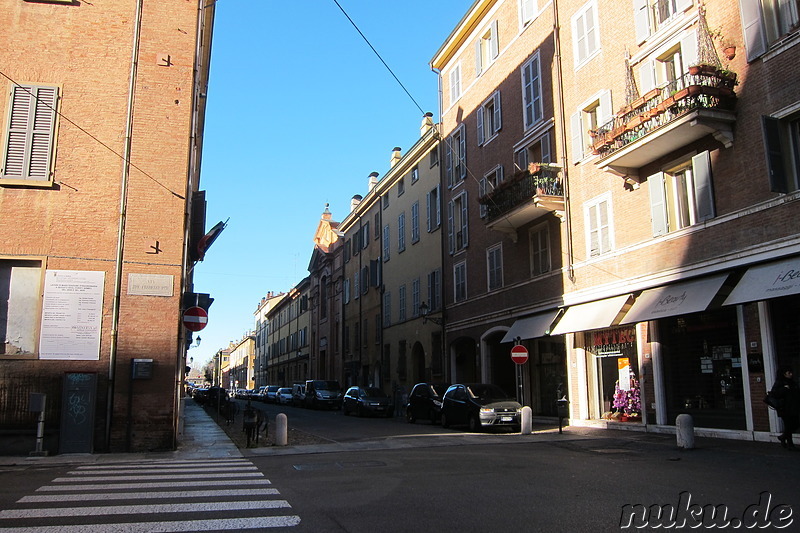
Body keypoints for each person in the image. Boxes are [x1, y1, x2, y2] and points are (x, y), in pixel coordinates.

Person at [771, 365, 800, 449]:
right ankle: (790, 444)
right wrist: (784, 389)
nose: (791, 374)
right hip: (784, 408)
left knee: (794, 424)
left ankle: (783, 437)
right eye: (789, 373)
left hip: (794, 407)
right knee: (788, 426)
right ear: (784, 374)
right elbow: (774, 393)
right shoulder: (780, 383)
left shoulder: (793, 382)